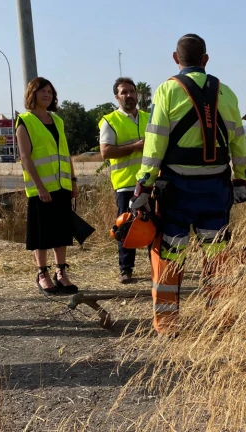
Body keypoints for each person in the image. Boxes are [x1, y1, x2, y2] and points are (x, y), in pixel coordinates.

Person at [130, 34, 246, 335]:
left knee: (170, 254)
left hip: (176, 192)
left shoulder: (167, 90)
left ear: (176, 58)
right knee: (217, 253)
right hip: (217, 189)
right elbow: (238, 141)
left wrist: (143, 186)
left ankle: (167, 324)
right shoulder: (226, 93)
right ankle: (222, 319)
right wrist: (240, 179)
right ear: (206, 59)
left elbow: (155, 143)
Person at [16, 77, 79, 295]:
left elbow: (66, 154)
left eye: (50, 92)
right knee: (41, 234)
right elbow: (25, 157)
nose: (47, 95)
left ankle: (61, 272)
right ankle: (42, 273)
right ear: (32, 94)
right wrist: (40, 187)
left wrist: (73, 181)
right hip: (41, 189)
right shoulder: (25, 121)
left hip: (61, 185)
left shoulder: (58, 120)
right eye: (42, 91)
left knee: (61, 231)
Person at [99, 77, 150, 283]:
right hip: (125, 183)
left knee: (154, 225)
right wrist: (135, 147)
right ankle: (126, 269)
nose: (129, 95)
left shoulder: (149, 117)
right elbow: (106, 151)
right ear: (117, 97)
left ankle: (157, 266)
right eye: (124, 92)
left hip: (150, 182)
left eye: (132, 91)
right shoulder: (110, 120)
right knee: (126, 226)